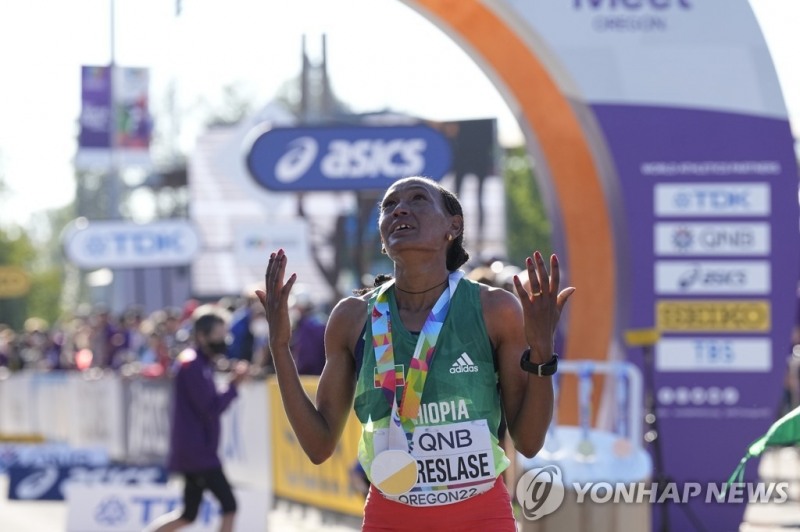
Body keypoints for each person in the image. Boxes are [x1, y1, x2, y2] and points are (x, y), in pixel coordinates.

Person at [256, 176, 575, 531]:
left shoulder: (494, 309)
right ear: (381, 236)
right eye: (388, 206)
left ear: (452, 227)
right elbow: (318, 447)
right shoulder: (351, 318)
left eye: (418, 199)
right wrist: (280, 348)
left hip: (481, 518)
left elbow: (529, 443)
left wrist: (543, 352)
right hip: (391, 518)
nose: (400, 209)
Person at [145, 305, 248, 532]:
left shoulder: (198, 363)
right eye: (219, 335)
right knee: (229, 505)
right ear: (202, 336)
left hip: (195, 451)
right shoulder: (192, 364)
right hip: (198, 454)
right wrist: (233, 385)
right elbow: (210, 408)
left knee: (188, 515)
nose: (224, 341)